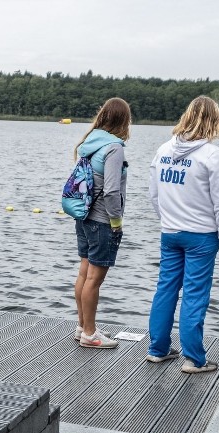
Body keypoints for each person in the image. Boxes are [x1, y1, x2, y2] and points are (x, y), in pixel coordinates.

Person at [146, 96, 219, 373]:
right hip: (202, 235)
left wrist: (168, 221)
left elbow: (154, 195)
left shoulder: (163, 151)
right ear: (214, 121)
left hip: (170, 232)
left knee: (166, 289)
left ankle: (157, 349)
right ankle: (195, 358)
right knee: (195, 295)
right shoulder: (213, 156)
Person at [72, 97, 131, 349]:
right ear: (124, 121)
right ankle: (90, 334)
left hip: (83, 217)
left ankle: (83, 326)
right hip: (101, 221)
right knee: (94, 280)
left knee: (84, 274)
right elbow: (110, 190)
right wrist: (116, 222)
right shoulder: (114, 148)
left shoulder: (91, 141)